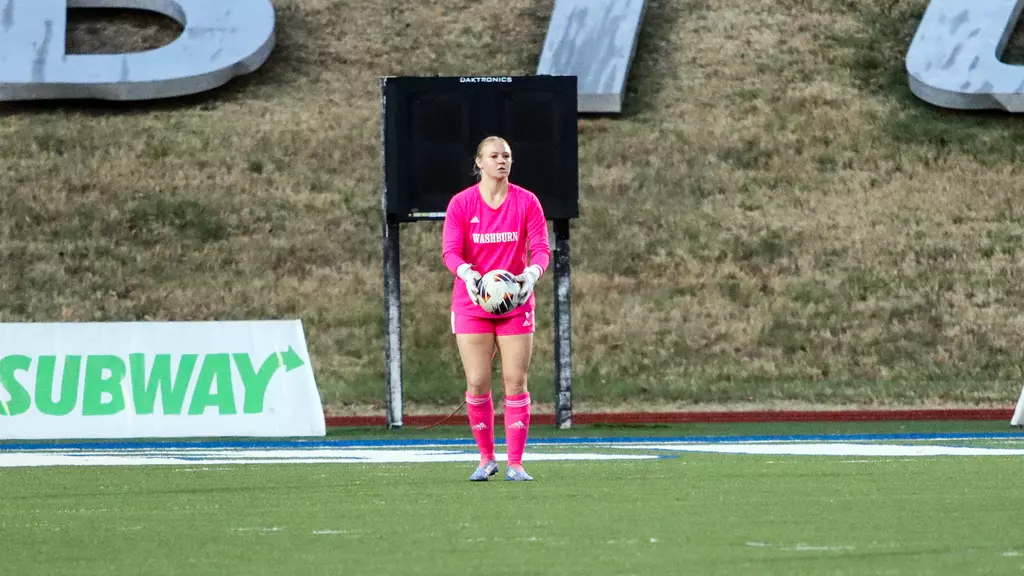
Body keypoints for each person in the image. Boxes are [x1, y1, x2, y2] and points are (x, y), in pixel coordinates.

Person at [442, 136, 550, 482]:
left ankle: (516, 462)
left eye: (506, 155)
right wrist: (469, 275)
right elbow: (450, 252)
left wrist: (530, 275)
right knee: (477, 382)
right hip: (473, 303)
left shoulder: (527, 202)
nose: (501, 161)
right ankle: (486, 458)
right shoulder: (461, 204)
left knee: (515, 381)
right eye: (494, 156)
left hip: (515, 304)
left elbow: (542, 248)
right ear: (479, 163)